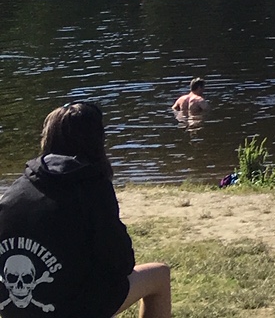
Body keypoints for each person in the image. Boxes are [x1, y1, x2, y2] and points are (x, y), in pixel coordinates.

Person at [0, 101, 173, 318]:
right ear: (97, 142)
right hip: (68, 308)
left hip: (14, 307)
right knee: (159, 275)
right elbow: (122, 264)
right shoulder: (92, 188)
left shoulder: (15, 190)